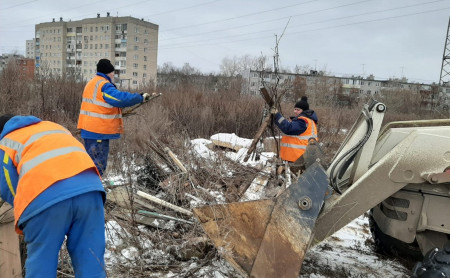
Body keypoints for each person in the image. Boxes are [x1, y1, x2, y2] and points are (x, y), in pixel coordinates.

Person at [0, 114, 106, 278]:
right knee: (91, 261)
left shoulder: (5, 143)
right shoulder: (54, 127)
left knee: (42, 264)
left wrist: (26, 213)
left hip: (45, 198)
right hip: (91, 192)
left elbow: (7, 184)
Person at [77, 58, 151, 176]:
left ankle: (90, 188)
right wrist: (139, 97)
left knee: (91, 164)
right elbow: (119, 98)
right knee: (97, 166)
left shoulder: (92, 83)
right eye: (112, 73)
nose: (113, 75)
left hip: (89, 130)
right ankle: (95, 190)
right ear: (108, 72)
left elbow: (101, 105)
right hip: (98, 132)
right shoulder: (104, 85)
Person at [271, 96, 319, 163]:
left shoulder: (303, 121)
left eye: (298, 110)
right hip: (300, 158)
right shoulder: (308, 121)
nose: (295, 111)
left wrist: (277, 115)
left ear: (304, 111)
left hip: (298, 159)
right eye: (295, 109)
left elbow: (288, 128)